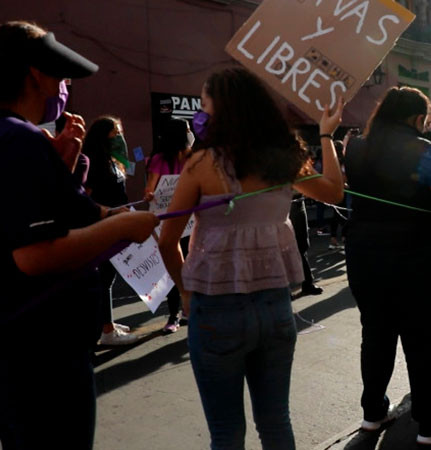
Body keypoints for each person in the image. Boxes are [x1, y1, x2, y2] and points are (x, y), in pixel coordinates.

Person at [159, 67, 344, 449]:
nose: (201, 110)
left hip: (216, 309)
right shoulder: (282, 158)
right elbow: (334, 192)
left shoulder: (200, 164)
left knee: (227, 433)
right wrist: (326, 133)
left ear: (221, 109)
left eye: (205, 103)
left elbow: (167, 240)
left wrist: (185, 291)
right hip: (276, 305)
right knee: (276, 422)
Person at [0, 20, 159, 448]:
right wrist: (121, 226)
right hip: (41, 349)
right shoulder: (20, 140)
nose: (63, 88)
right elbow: (33, 254)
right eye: (62, 76)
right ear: (36, 74)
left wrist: (65, 175)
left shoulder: (25, 141)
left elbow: (46, 213)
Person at [343, 87, 431, 445]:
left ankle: (373, 413)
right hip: (415, 255)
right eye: (424, 119)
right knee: (420, 340)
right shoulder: (423, 150)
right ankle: (428, 422)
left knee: (375, 333)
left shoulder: (357, 147)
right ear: (414, 118)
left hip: (364, 254)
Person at [83, 115, 140, 345]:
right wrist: (110, 213)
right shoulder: (91, 163)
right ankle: (106, 330)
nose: (120, 138)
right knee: (104, 277)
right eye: (115, 133)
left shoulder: (112, 161)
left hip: (116, 227)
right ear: (102, 136)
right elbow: (83, 201)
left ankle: (108, 322)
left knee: (109, 275)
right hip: (103, 228)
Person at [144, 118, 193, 333]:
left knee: (191, 264)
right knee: (173, 267)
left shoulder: (193, 158)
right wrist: (151, 195)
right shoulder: (159, 160)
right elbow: (148, 189)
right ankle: (174, 315)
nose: (192, 133)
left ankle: (191, 310)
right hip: (168, 220)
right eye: (188, 130)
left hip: (191, 220)